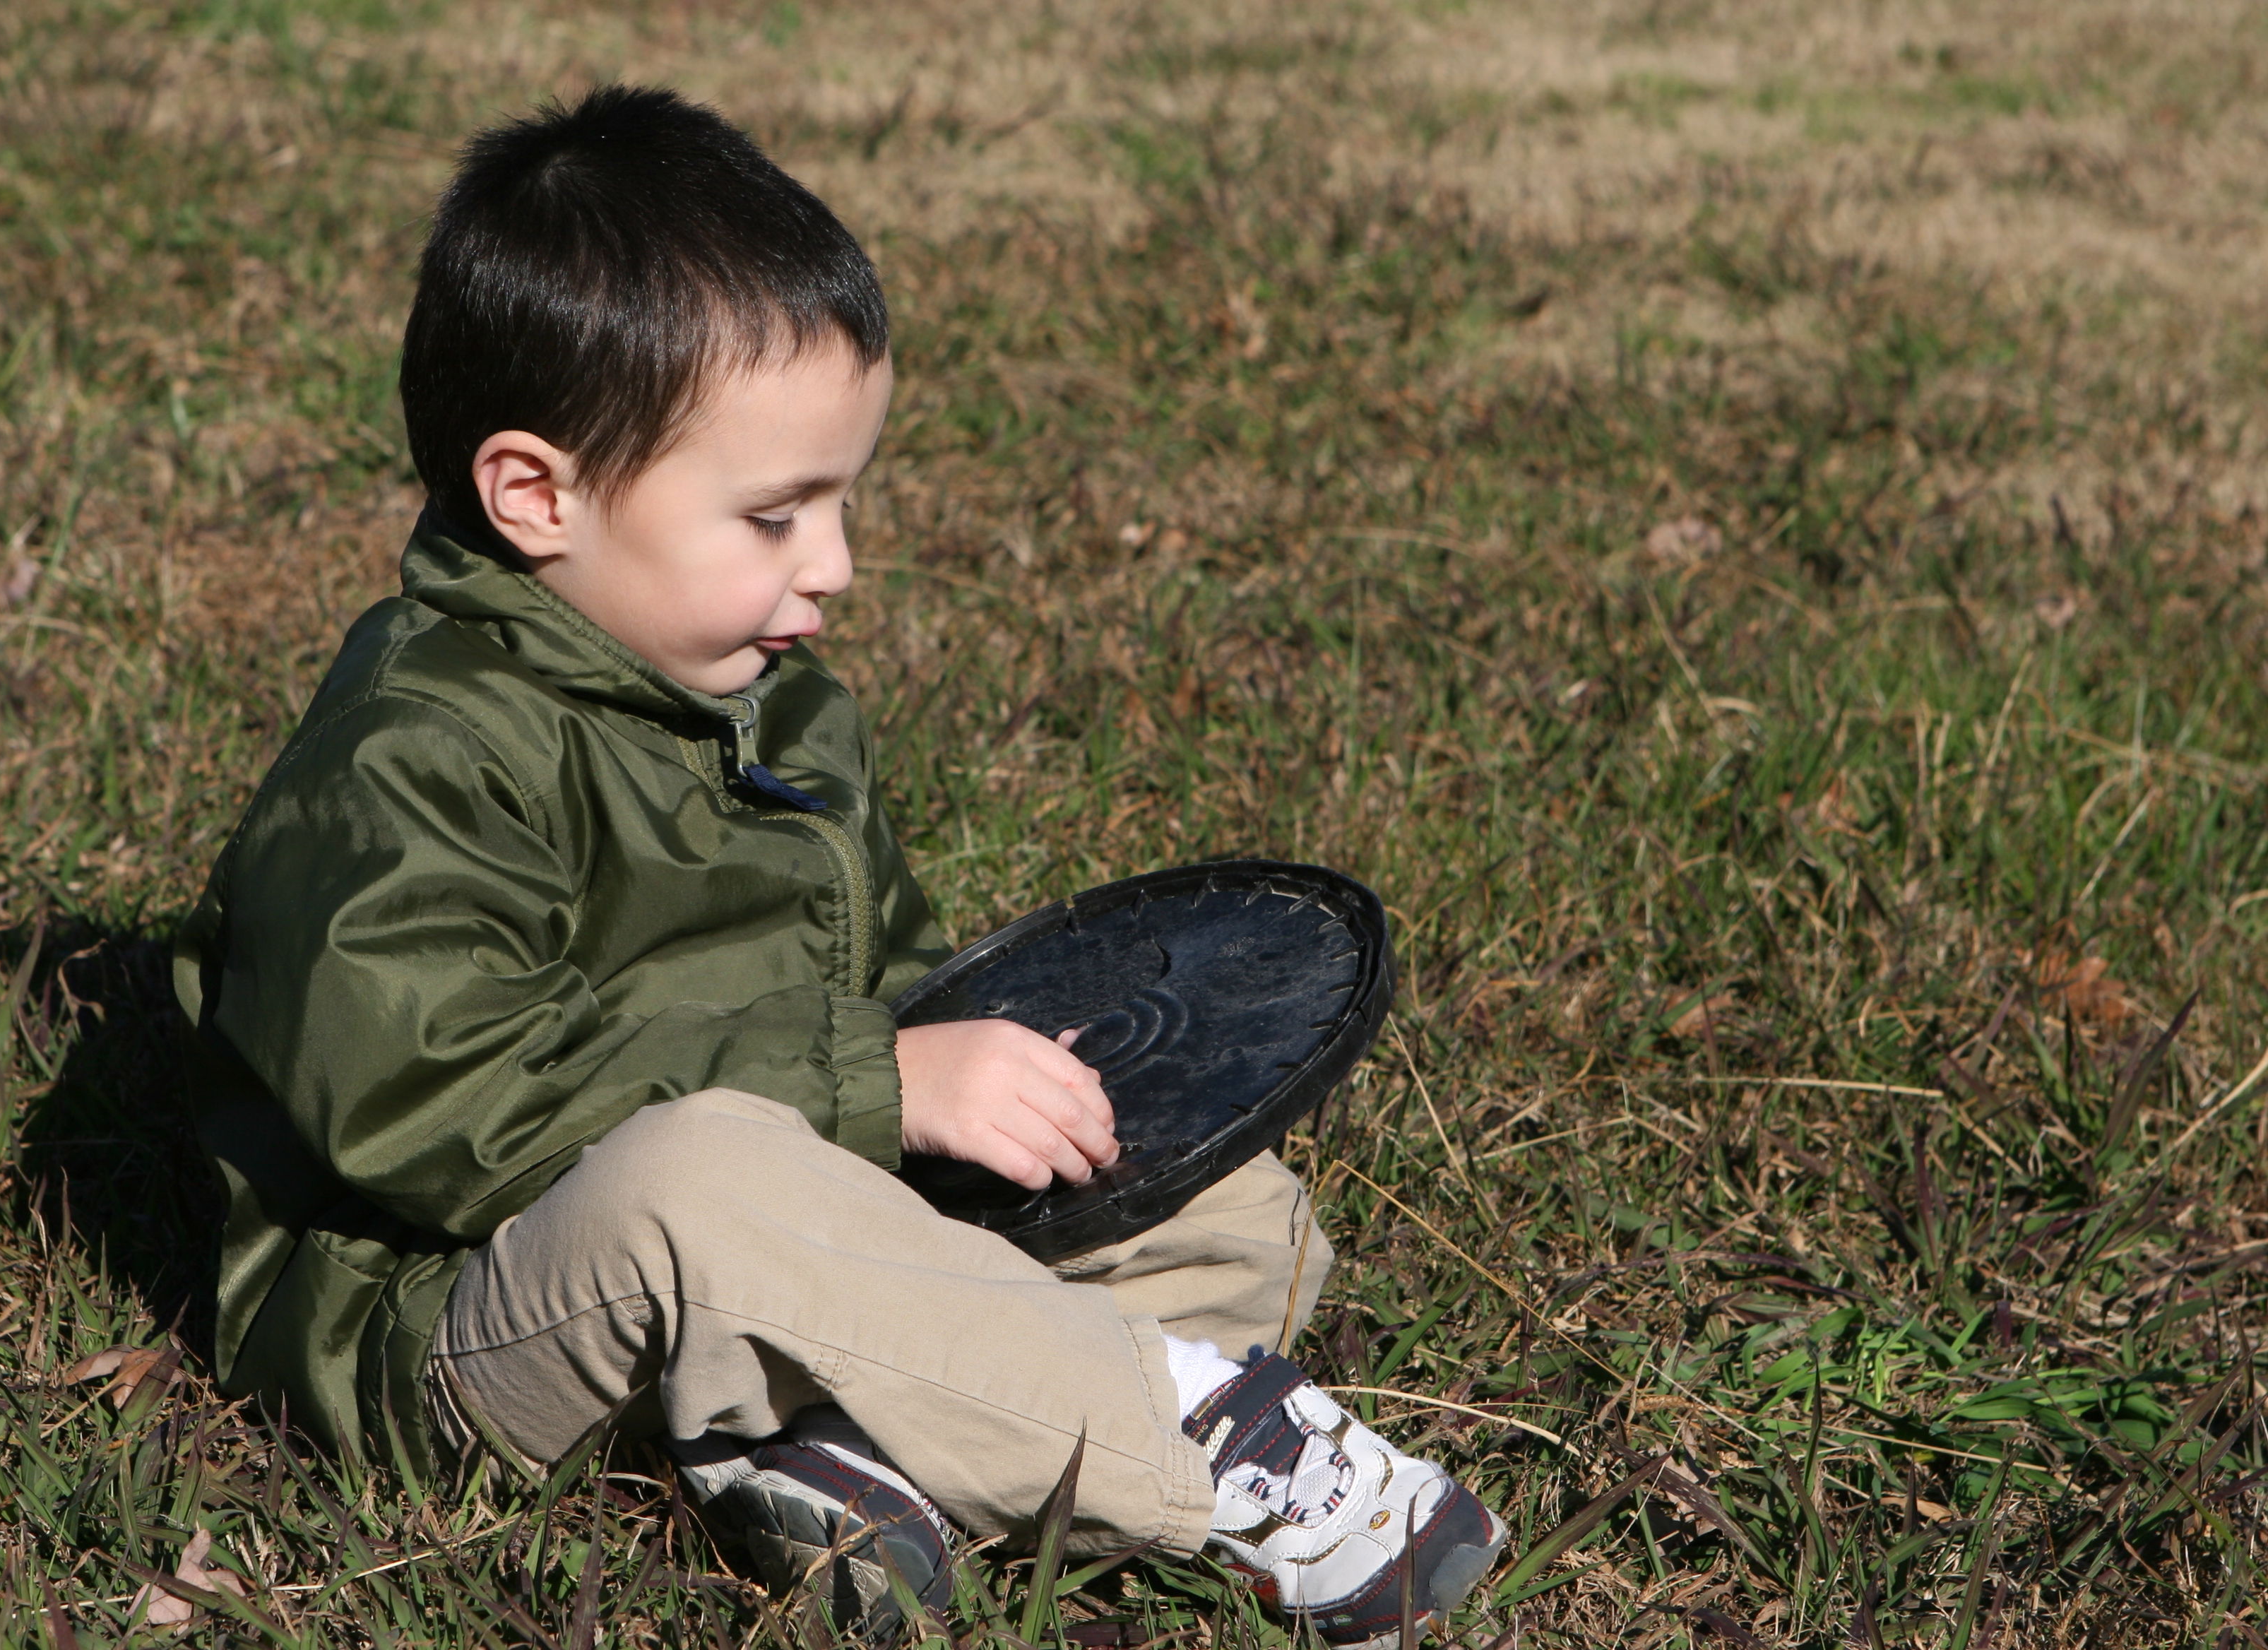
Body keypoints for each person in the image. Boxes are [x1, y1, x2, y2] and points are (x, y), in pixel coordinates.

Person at [173, 84, 1507, 1647]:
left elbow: (889, 990)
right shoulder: (413, 752)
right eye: (774, 515)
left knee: (1225, 1198)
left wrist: (987, 1067)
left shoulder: (779, 705)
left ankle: (846, 1453)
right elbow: (438, 1101)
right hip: (462, 1316)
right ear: (537, 495)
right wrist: (879, 1082)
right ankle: (1212, 1456)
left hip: (785, 1217)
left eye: (844, 498)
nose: (837, 563)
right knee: (698, 1184)